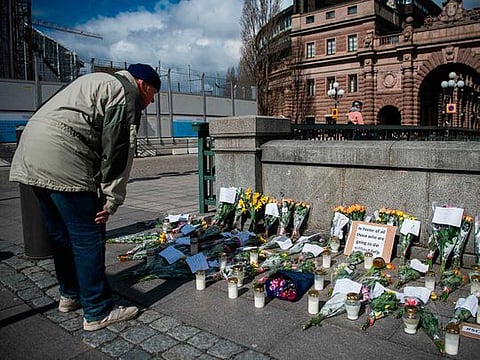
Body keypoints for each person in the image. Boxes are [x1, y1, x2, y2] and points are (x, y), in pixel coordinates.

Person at [9, 63, 160, 331]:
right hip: (62, 153)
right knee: (88, 235)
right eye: (153, 95)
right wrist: (111, 200)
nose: (150, 102)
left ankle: (69, 294)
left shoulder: (94, 81)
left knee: (60, 234)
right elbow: (119, 151)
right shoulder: (126, 94)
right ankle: (97, 310)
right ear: (143, 84)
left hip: (29, 151)